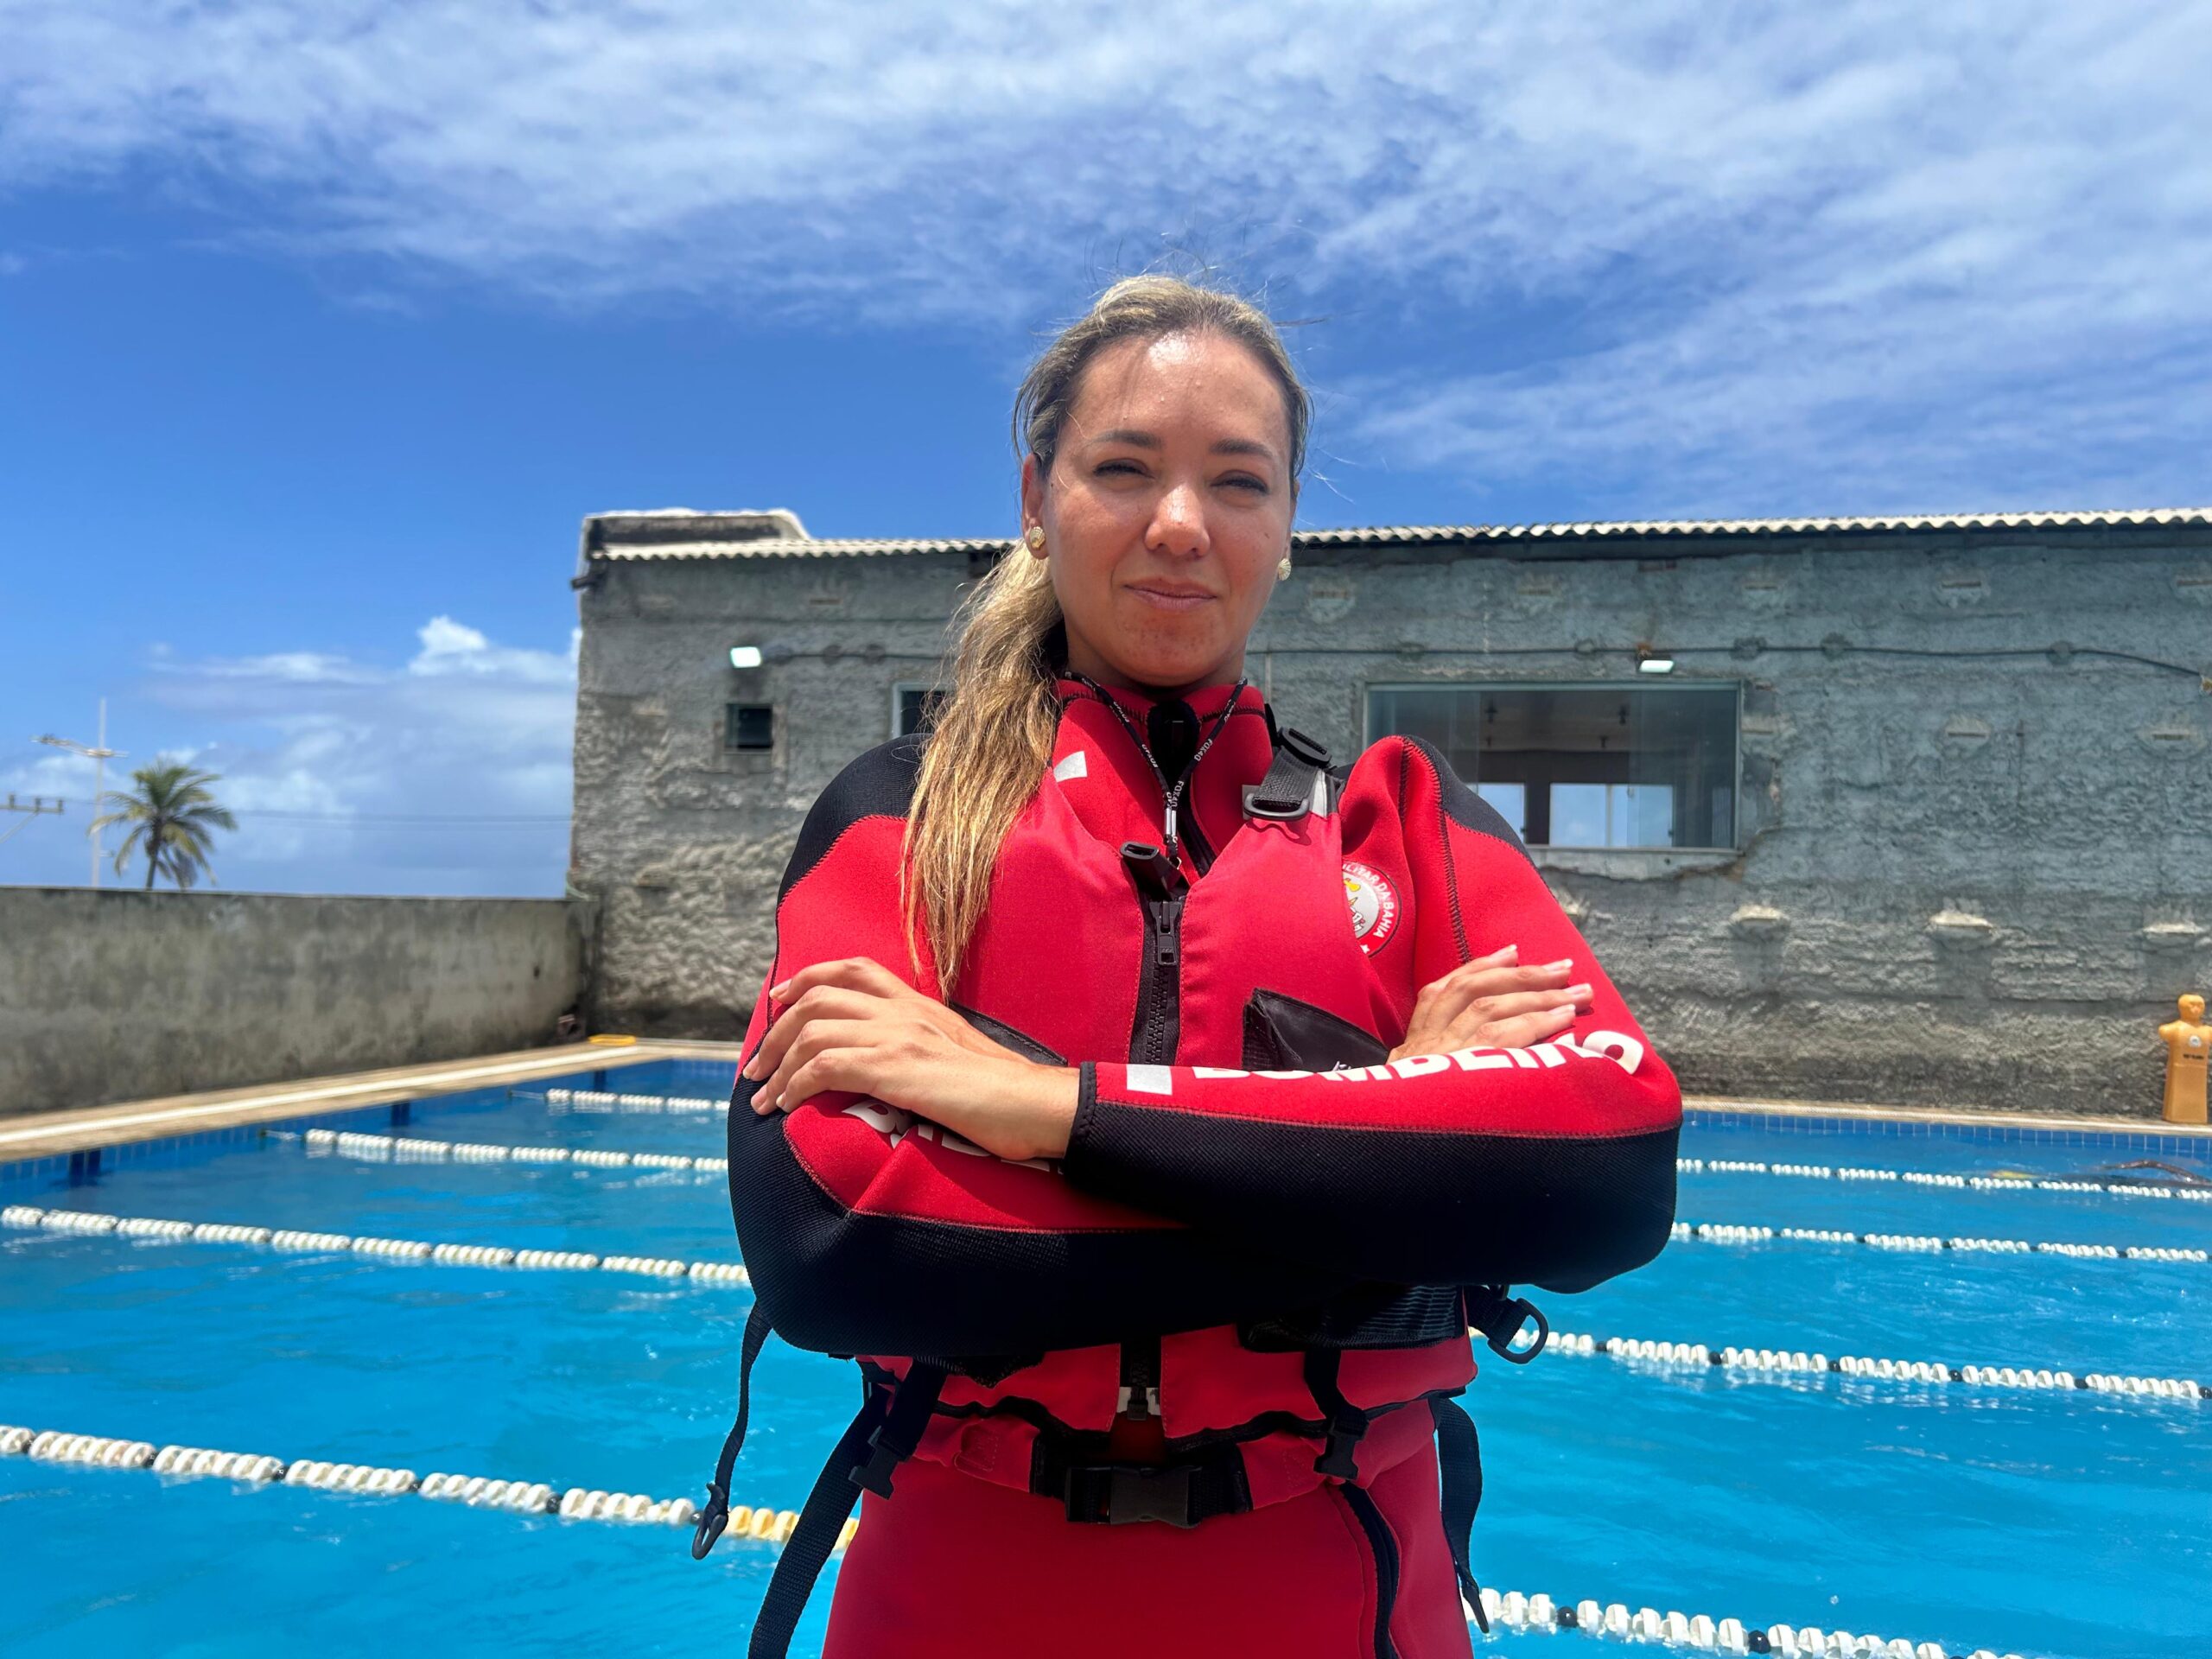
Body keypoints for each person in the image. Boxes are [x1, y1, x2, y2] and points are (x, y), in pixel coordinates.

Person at [693, 276, 1683, 1659]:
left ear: (1285, 527)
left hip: (1346, 1600)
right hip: (958, 1595)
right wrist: (1392, 1146)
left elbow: (1608, 1170)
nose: (1180, 525)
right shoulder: (897, 822)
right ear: (1037, 498)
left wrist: (1036, 1110)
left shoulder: (1398, 823)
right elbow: (840, 1249)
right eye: (1123, 469)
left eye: (1238, 481)